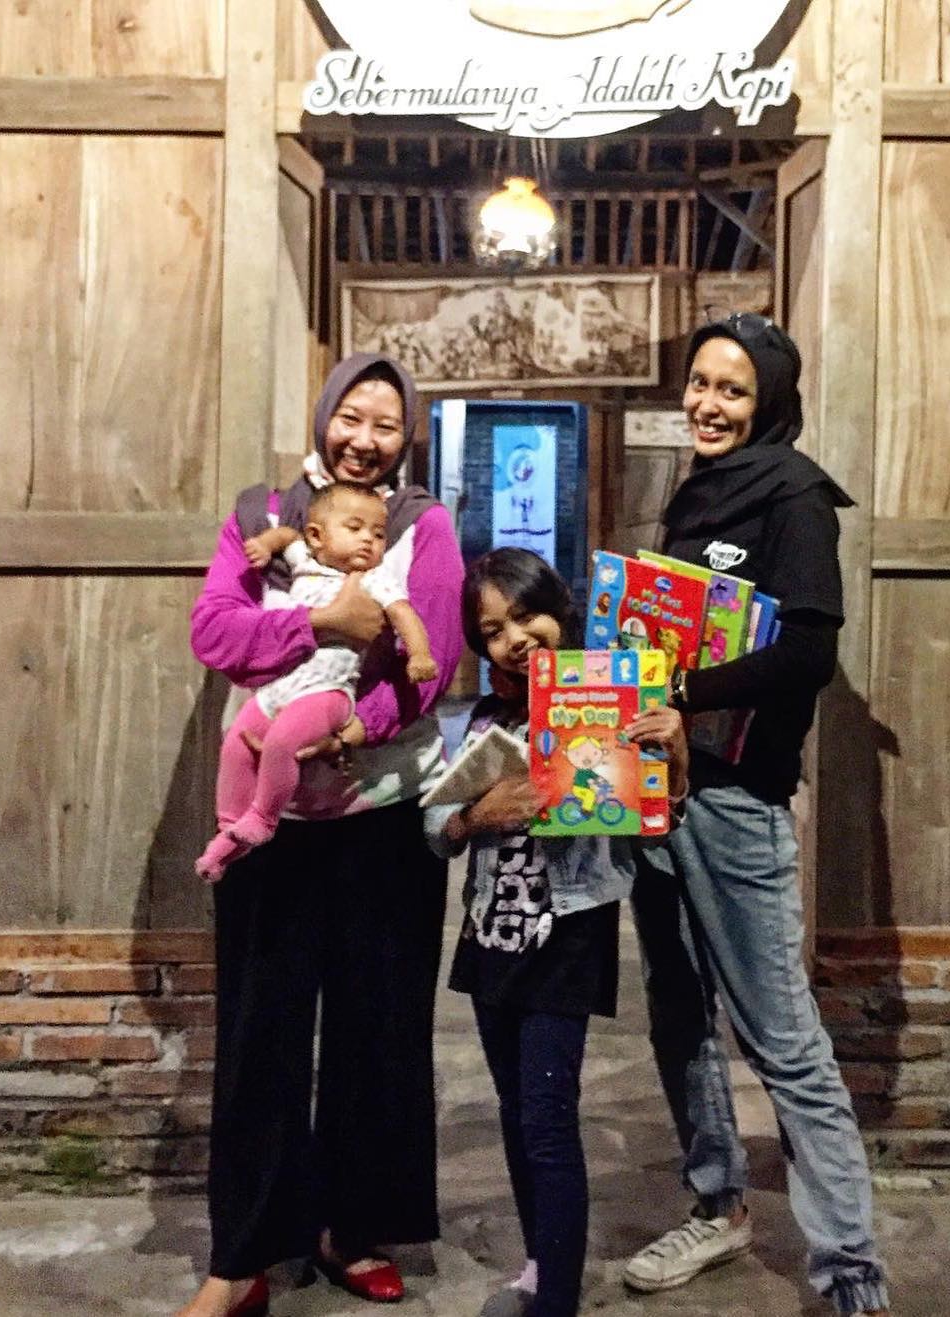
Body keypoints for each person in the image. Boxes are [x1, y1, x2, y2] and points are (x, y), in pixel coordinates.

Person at [177, 353, 463, 1317]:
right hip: (270, 819)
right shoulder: (262, 513)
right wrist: (319, 627)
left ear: (406, 435)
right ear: (324, 415)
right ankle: (243, 1254)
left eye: (386, 424)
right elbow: (215, 632)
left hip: (379, 812)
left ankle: (353, 1226)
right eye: (352, 416)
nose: (364, 440)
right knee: (259, 1030)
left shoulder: (421, 525)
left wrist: (350, 731)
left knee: (376, 1027)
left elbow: (432, 660)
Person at [623, 314, 891, 1317]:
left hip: (736, 801)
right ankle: (718, 1204)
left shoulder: (794, 496)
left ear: (769, 400)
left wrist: (681, 691)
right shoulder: (696, 492)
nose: (708, 404)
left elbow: (808, 652)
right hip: (659, 790)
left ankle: (850, 1270)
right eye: (699, 383)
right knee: (678, 1012)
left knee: (782, 1040)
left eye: (731, 390)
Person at [425, 548, 689, 1317]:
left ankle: (557, 1300)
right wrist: (473, 816)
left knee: (546, 1118)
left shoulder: (606, 701)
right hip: (489, 932)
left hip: (566, 933)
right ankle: (540, 1267)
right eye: (492, 630)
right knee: (514, 1110)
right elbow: (436, 828)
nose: (514, 638)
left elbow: (654, 824)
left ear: (560, 609)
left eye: (525, 616)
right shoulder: (480, 720)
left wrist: (672, 761)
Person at [195, 483, 437, 880]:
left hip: (328, 693)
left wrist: (420, 654)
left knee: (281, 743)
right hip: (280, 690)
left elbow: (404, 614)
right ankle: (229, 827)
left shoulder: (373, 579)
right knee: (238, 740)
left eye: (378, 534)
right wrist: (266, 544)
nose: (368, 540)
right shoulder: (305, 562)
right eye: (355, 528)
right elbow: (287, 537)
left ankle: (263, 818)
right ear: (317, 536)